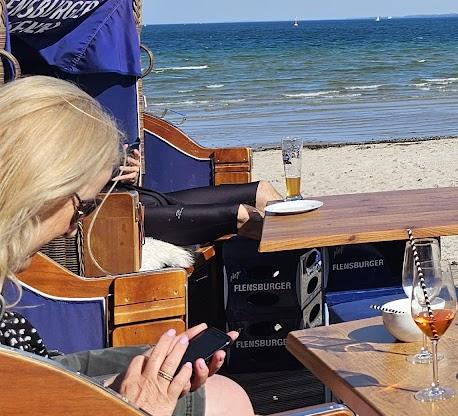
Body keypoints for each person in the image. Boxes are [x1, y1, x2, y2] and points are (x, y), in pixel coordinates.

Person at [0, 76, 253, 416]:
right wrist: (134, 409)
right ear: (41, 191)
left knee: (200, 383)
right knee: (225, 401)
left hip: (39, 377)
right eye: (83, 208)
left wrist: (123, 387)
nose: (71, 232)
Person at [115, 145, 281, 245]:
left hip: (141, 197)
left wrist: (129, 174)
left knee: (261, 192)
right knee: (243, 215)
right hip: (119, 218)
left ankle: (303, 263)